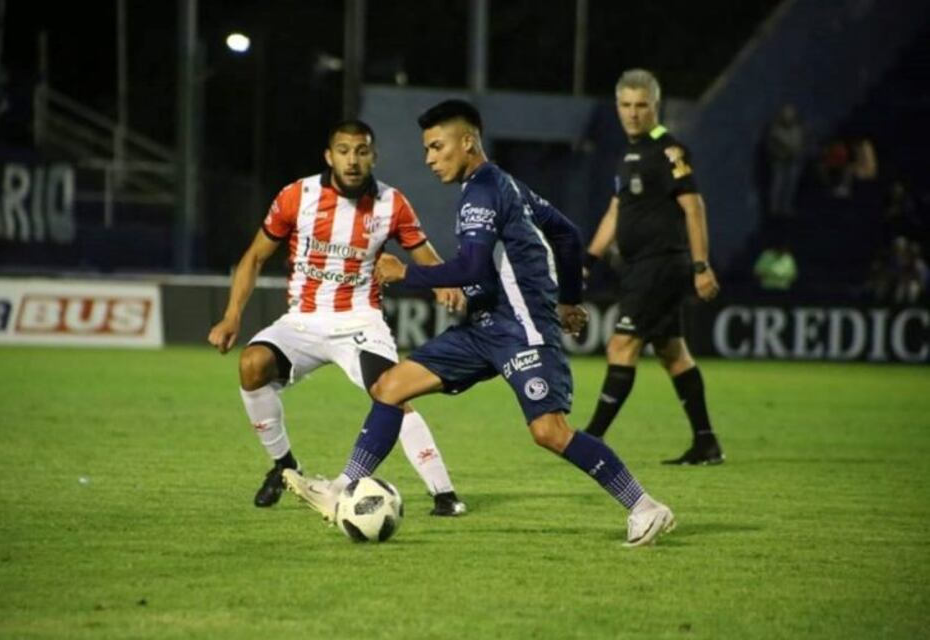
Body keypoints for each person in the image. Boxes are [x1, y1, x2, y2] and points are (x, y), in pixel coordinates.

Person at [283, 100, 676, 547]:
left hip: (521, 328)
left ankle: (644, 507)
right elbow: (566, 231)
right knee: (391, 387)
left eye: (437, 146)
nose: (430, 158)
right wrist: (569, 298)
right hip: (483, 327)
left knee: (548, 432)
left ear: (467, 142)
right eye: (426, 149)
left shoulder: (486, 189)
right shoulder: (501, 185)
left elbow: (471, 268)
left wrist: (405, 273)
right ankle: (339, 489)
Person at [207, 119, 467, 516]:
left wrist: (444, 283)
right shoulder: (297, 196)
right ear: (329, 156)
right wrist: (231, 316)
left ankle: (444, 494)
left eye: (361, 151)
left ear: (373, 157)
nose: (352, 160)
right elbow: (254, 257)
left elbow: (424, 254)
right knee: (252, 364)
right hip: (302, 321)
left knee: (392, 391)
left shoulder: (391, 203)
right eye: (344, 151)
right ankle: (284, 467)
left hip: (360, 321)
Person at [582, 69, 724, 465]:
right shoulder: (626, 155)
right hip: (639, 266)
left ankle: (591, 439)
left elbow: (694, 207)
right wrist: (589, 260)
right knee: (673, 353)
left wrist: (701, 266)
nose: (633, 113)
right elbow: (616, 210)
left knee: (620, 344)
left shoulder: (668, 150)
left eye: (641, 105)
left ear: (655, 107)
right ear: (617, 107)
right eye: (626, 105)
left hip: (661, 264)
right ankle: (706, 442)